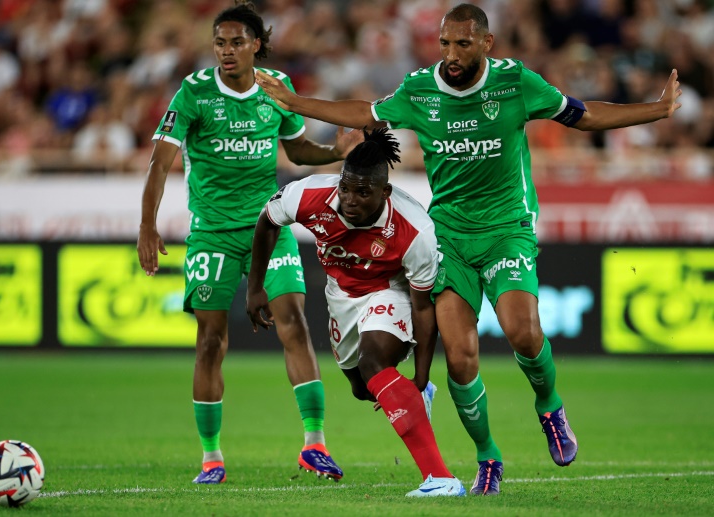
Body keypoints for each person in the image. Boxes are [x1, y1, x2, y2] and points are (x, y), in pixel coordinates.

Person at [254, 2, 682, 496]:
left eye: (462, 44)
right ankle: (487, 457)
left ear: (486, 43)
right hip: (450, 236)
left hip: (507, 228)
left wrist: (656, 108)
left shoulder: (516, 83)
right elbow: (365, 114)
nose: (451, 55)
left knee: (523, 333)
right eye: (444, 44)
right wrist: (294, 100)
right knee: (460, 360)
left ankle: (550, 406)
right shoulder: (420, 89)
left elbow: (581, 116)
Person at [136, 1, 362, 485]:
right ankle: (211, 458)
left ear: (256, 44)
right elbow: (160, 163)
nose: (226, 52)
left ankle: (314, 445)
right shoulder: (194, 93)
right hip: (212, 234)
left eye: (236, 42)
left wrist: (334, 154)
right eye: (220, 43)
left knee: (295, 325)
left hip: (269, 228)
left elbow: (298, 150)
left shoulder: (275, 90)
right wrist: (147, 227)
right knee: (210, 342)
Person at [246, 128, 465, 498]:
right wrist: (255, 287)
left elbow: (423, 308)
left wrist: (421, 374)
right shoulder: (309, 194)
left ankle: (440, 478)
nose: (349, 199)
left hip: (389, 291)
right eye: (346, 188)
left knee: (374, 363)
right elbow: (268, 220)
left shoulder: (415, 232)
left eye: (363, 193)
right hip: (341, 295)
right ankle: (408, 398)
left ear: (385, 192)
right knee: (363, 389)